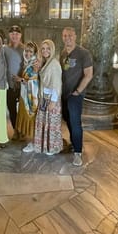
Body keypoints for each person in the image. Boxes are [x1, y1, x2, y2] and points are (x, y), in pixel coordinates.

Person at [60, 27, 93, 166]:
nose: (68, 38)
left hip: (75, 95)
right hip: (64, 94)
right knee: (67, 120)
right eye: (65, 35)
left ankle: (78, 153)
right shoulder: (62, 53)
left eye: (70, 35)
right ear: (62, 37)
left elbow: (88, 75)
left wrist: (78, 92)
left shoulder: (83, 53)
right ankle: (74, 144)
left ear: (75, 37)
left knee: (75, 123)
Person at [28, 39, 62, 155]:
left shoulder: (54, 64)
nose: (45, 51)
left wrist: (53, 101)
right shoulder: (46, 62)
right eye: (43, 48)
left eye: (48, 48)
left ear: (52, 49)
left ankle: (52, 147)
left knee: (51, 124)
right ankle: (44, 145)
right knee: (44, 123)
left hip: (51, 99)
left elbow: (57, 84)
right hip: (44, 98)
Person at [15, 41, 39, 146]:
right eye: (26, 51)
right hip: (23, 94)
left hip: (31, 96)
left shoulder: (35, 64)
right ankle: (25, 137)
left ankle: (31, 142)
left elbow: (34, 82)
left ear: (34, 53)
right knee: (24, 115)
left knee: (30, 117)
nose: (28, 53)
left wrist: (20, 80)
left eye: (31, 51)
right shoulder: (26, 63)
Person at [4, 25, 24, 139]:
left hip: (22, 84)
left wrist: (21, 78)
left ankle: (22, 129)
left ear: (20, 35)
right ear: (9, 35)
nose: (14, 36)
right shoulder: (4, 49)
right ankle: (16, 130)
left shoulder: (25, 49)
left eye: (17, 34)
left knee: (22, 109)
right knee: (11, 108)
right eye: (12, 34)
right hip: (9, 84)